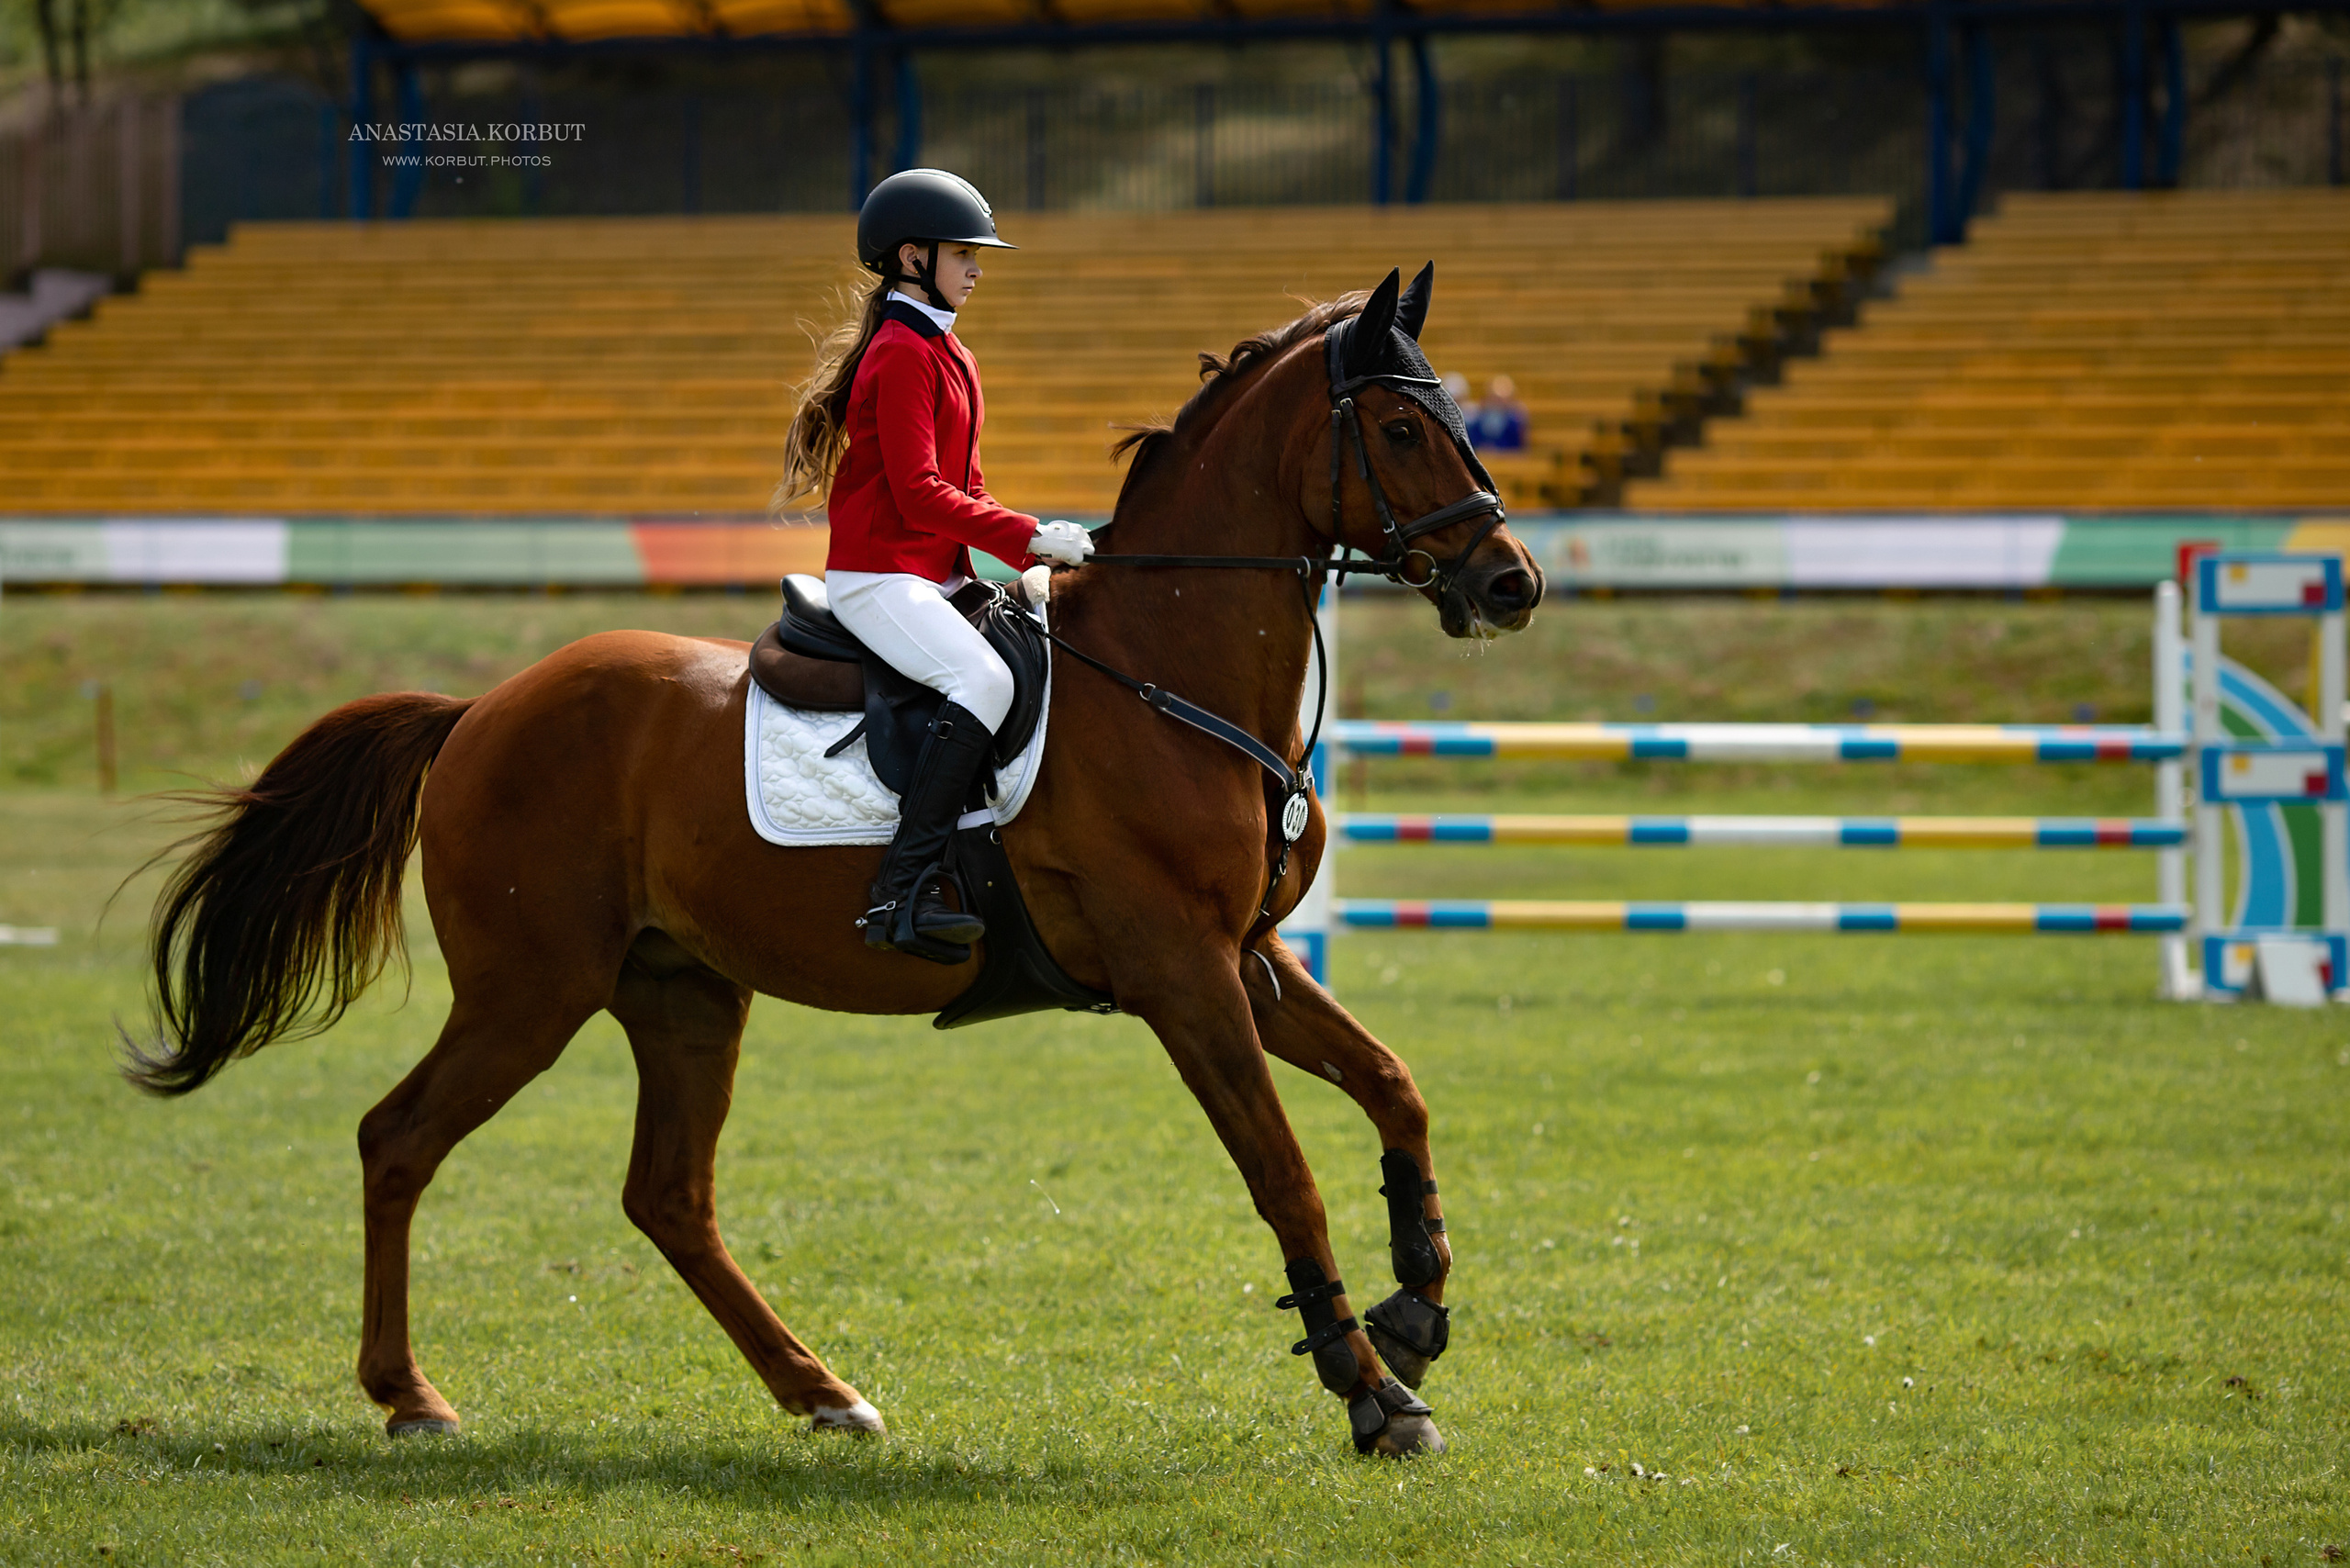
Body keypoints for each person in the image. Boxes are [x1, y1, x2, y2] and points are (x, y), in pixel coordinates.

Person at [775, 168, 1094, 964]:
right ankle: (901, 888)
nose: (978, 267)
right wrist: (1030, 537)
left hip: (935, 573)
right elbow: (920, 495)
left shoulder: (951, 352)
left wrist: (1021, 557)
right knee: (982, 682)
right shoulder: (902, 353)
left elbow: (967, 487)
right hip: (879, 576)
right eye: (964, 253)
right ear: (912, 257)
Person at [1466, 375, 1529, 453]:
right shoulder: (1476, 422)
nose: (1497, 404)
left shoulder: (1515, 424)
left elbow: (1521, 450)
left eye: (1502, 400)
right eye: (1494, 399)